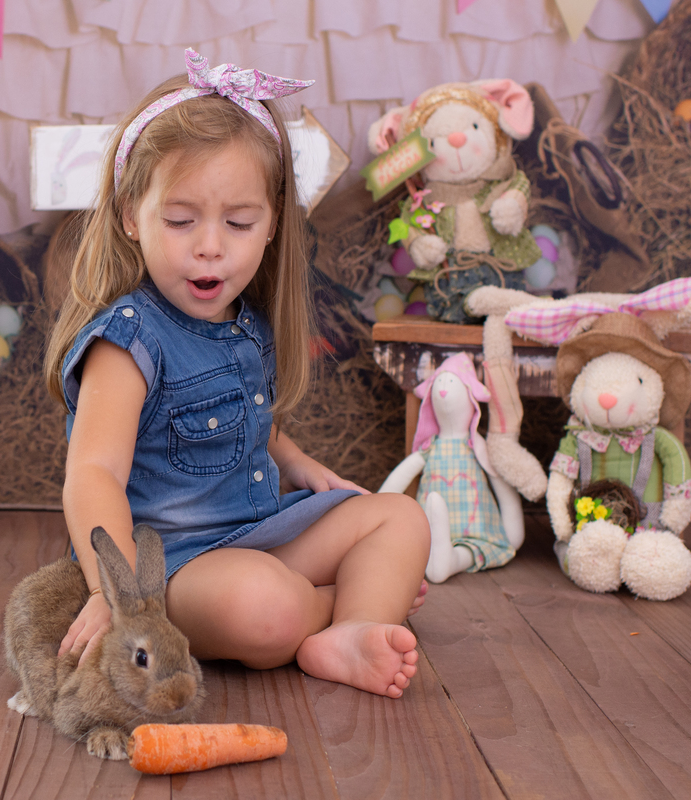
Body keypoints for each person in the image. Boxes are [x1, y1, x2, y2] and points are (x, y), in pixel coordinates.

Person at [43, 50, 431, 698]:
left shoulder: (245, 320)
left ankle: (352, 629)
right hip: (177, 567)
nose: (210, 245)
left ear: (272, 225)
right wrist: (114, 595)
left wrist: (297, 459)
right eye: (180, 220)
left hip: (260, 529)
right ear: (130, 217)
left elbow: (244, 412)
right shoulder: (127, 342)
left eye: (239, 222)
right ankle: (341, 601)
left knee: (400, 520)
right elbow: (93, 475)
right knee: (266, 609)